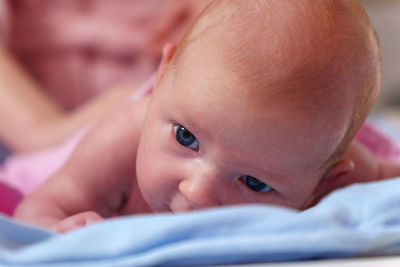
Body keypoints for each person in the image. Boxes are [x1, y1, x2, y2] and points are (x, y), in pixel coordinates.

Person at [13, 0, 392, 233]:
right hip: (55, 161)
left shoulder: (331, 169)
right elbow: (38, 208)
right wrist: (59, 229)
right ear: (161, 76)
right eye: (185, 138)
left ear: (322, 182)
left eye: (254, 183)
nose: (197, 192)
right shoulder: (121, 138)